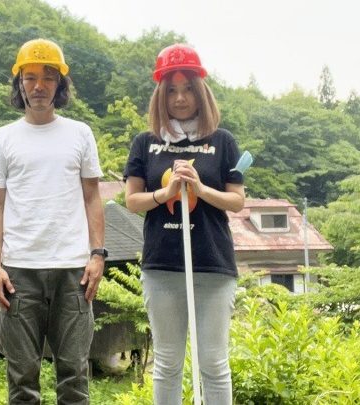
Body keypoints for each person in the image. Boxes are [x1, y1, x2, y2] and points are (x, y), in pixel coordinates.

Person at [0, 38, 106, 405]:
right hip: (20, 271)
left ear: (60, 85)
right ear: (19, 83)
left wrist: (97, 253)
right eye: (30, 77)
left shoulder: (80, 133)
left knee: (75, 374)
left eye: (48, 78)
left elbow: (92, 196)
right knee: (21, 377)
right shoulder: (2, 139)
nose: (38, 86)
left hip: (74, 271)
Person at [124, 44, 245, 405]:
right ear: (161, 94)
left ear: (201, 91)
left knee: (213, 362)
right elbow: (132, 201)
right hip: (163, 265)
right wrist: (166, 193)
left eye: (188, 88)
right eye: (172, 90)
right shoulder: (146, 143)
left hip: (213, 264)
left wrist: (201, 188)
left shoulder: (222, 142)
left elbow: (237, 201)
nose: (180, 98)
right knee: (167, 361)